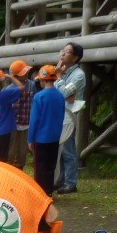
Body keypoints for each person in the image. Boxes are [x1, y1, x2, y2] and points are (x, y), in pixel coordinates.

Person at [29, 65, 67, 196]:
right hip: (55, 136)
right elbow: (62, 115)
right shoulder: (60, 95)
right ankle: (49, 191)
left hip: (40, 138)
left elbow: (34, 120)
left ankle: (40, 193)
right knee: (51, 165)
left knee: (40, 167)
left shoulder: (39, 97)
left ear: (42, 80)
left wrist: (30, 138)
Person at [54, 42, 86, 194]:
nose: (63, 54)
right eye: (63, 50)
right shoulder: (62, 72)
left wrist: (59, 78)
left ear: (75, 57)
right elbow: (57, 93)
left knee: (68, 149)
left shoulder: (78, 75)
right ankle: (60, 180)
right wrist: (61, 82)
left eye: (67, 52)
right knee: (59, 149)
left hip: (69, 117)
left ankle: (71, 182)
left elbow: (63, 95)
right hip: (58, 114)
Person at [7, 60, 35, 171]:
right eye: (24, 72)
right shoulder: (9, 89)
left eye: (27, 71)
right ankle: (9, 173)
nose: (27, 73)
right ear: (15, 76)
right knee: (11, 151)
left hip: (26, 123)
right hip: (13, 124)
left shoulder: (31, 84)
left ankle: (19, 172)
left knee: (22, 152)